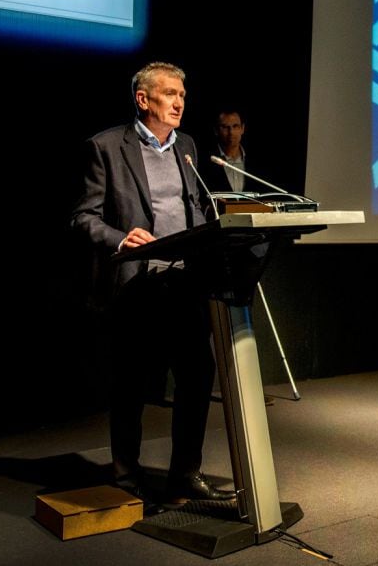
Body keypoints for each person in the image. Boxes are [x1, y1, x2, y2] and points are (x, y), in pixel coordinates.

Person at [70, 62, 235, 504]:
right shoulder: (105, 147)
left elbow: (195, 204)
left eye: (183, 94)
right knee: (131, 385)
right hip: (136, 284)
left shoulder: (190, 147)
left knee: (198, 376)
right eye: (169, 93)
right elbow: (83, 217)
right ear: (144, 100)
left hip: (185, 283)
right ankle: (126, 477)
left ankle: (185, 472)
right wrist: (121, 237)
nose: (180, 102)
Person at [208, 108, 247, 193]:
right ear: (216, 130)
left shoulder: (258, 162)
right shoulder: (207, 162)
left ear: (242, 128)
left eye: (235, 126)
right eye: (225, 127)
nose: (231, 132)